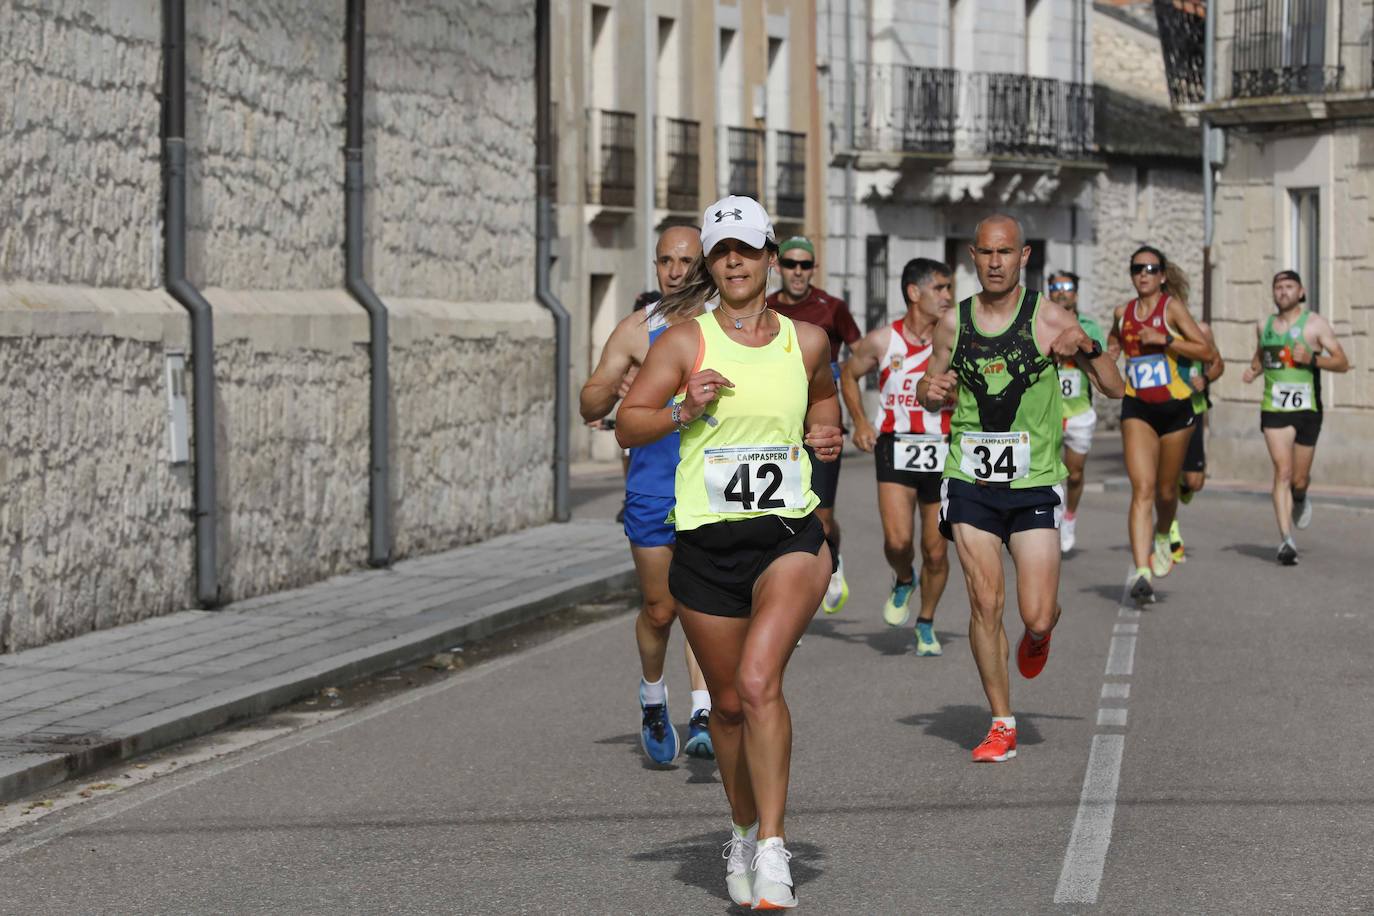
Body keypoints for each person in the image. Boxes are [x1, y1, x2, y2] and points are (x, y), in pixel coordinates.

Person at [617, 196, 843, 908]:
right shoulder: (685, 343)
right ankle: (742, 829)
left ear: (771, 256)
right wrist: (683, 410)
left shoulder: (805, 341)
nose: (736, 262)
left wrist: (825, 434)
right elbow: (628, 423)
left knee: (756, 683)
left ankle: (773, 851)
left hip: (789, 539)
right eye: (723, 252)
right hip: (707, 548)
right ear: (712, 265)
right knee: (726, 711)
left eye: (748, 248)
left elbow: (823, 400)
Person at [918, 214, 1122, 764]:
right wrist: (930, 390)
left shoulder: (1051, 320)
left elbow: (1114, 386)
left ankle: (1039, 633)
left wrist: (1090, 345)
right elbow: (929, 390)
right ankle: (1001, 722)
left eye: (1005, 253)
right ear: (972, 257)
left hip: (1033, 483)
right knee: (986, 600)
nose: (994, 263)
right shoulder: (952, 324)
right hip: (969, 478)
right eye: (985, 253)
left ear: (1024, 257)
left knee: (1035, 614)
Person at [579, 225, 715, 765]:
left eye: (686, 261)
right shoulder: (639, 330)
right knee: (661, 610)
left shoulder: (723, 326)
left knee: (706, 602)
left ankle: (704, 711)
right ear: (655, 266)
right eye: (666, 261)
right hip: (654, 487)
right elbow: (589, 403)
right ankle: (654, 695)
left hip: (712, 486)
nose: (676, 271)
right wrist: (610, 390)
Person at [840, 258, 955, 656]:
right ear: (913, 292)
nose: (948, 296)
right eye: (940, 288)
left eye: (948, 288)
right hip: (896, 444)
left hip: (943, 449)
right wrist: (859, 422)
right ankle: (904, 578)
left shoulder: (954, 339)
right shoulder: (882, 341)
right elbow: (847, 374)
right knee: (898, 540)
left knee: (937, 550)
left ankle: (925, 623)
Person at [1107, 246, 1216, 604]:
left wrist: (1166, 340)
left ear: (1162, 275)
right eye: (1137, 268)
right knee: (1142, 489)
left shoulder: (1172, 308)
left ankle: (1164, 530)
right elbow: (1112, 346)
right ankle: (1141, 571)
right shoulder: (1122, 312)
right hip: (1137, 407)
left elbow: (1206, 352)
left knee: (1167, 493)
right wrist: (1105, 361)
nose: (1144, 274)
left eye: (1151, 269)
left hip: (1176, 410)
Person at [767, 236, 862, 615]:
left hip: (822, 423)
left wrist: (848, 394)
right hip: (780, 424)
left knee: (822, 516)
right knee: (781, 514)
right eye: (791, 263)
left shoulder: (832, 307)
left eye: (805, 265)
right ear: (778, 267)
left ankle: (833, 559)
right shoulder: (766, 306)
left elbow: (861, 352)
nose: (798, 272)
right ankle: (784, 599)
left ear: (814, 269)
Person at [1241, 270, 1350, 565]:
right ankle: (1286, 540)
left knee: (1299, 479)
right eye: (1278, 287)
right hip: (1274, 408)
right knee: (1283, 472)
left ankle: (1300, 496)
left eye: (1289, 287)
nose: (1283, 292)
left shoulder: (1315, 325)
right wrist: (1253, 370)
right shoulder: (1264, 325)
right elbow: (1262, 355)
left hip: (1307, 409)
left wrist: (1312, 359)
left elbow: (1342, 362)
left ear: (1301, 292)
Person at [1045, 270, 1109, 554]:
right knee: (1044, 473)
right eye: (1055, 287)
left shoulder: (1089, 326)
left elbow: (1099, 363)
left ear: (1076, 293)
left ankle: (1069, 516)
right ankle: (1047, 522)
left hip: (1079, 410)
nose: (1061, 292)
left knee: (1074, 474)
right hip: (1047, 412)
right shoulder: (1041, 323)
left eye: (1067, 287)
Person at [1169, 320, 1224, 562]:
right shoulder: (1155, 331)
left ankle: (1184, 485)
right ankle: (1171, 535)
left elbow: (1218, 364)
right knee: (1166, 478)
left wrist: (1206, 377)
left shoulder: (1201, 331)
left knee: (1194, 481)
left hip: (1194, 408)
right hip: (1166, 411)